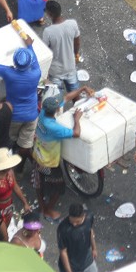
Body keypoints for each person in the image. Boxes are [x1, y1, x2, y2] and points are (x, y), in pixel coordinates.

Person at [32, 92, 85, 220]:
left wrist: (82, 88)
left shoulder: (43, 114)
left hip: (38, 153)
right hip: (49, 162)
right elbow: (76, 133)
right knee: (58, 186)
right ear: (56, 110)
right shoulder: (54, 127)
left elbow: (65, 97)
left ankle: (41, 205)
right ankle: (48, 209)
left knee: (38, 181)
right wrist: (77, 119)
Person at [0, 48, 43, 162]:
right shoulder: (36, 73)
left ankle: (7, 160)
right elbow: (35, 61)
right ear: (29, 63)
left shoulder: (9, 73)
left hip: (14, 116)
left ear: (14, 62)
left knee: (9, 138)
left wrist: (8, 68)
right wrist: (30, 47)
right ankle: (20, 166)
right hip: (32, 115)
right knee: (25, 144)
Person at [0, 149, 31, 241]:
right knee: (5, 238)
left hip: (8, 207)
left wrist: (25, 203)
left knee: (1, 235)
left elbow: (15, 187)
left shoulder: (10, 173)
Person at [42, 0, 83, 91]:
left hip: (55, 72)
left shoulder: (48, 32)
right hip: (70, 67)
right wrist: (75, 54)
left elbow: (46, 52)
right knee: (76, 95)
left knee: (56, 99)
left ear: (49, 14)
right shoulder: (73, 23)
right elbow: (77, 43)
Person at [57, 204, 100, 272]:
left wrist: (94, 248)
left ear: (83, 216)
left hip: (88, 262)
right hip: (71, 269)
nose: (74, 224)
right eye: (72, 221)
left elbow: (90, 232)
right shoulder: (63, 229)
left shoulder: (89, 217)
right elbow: (63, 252)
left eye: (77, 222)